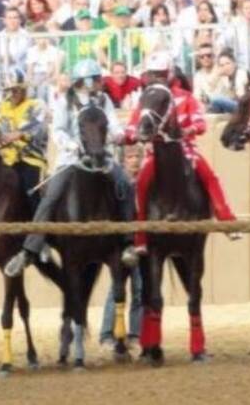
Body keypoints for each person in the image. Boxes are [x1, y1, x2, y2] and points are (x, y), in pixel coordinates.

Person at [4, 59, 136, 277]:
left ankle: (128, 242)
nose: (96, 83)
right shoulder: (65, 101)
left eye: (97, 79)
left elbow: (113, 124)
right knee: (51, 196)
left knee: (125, 185)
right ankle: (30, 249)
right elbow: (57, 131)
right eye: (93, 79)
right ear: (82, 81)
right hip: (71, 159)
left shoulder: (104, 100)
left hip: (102, 157)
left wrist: (117, 135)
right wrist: (72, 145)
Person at [125, 51, 240, 254]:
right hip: (156, 151)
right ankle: (140, 236)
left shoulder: (185, 97)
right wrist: (131, 134)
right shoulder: (147, 98)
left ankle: (226, 219)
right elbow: (133, 124)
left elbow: (200, 122)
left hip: (185, 148)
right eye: (153, 73)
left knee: (209, 176)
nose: (157, 77)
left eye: (161, 73)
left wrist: (189, 129)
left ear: (169, 73)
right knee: (141, 182)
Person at [99, 144, 143, 349]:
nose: (134, 160)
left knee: (139, 288)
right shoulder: (117, 186)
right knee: (116, 289)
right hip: (121, 244)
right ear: (122, 160)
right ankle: (107, 333)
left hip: (140, 242)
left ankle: (135, 334)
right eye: (130, 156)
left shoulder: (143, 182)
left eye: (137, 156)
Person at [0, 67, 48, 215]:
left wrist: (19, 134)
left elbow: (39, 128)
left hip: (30, 159)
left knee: (31, 192)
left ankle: (41, 229)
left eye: (15, 90)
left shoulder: (36, 105)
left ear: (23, 89)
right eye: (9, 90)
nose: (12, 94)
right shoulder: (1, 106)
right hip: (5, 160)